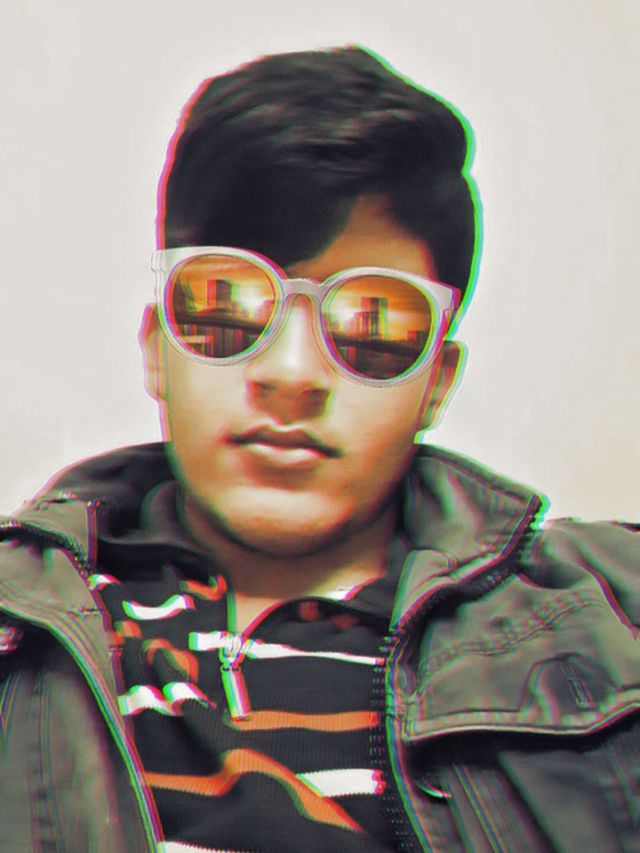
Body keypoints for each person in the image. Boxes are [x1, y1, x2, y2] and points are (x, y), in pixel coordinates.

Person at [0, 46, 638, 853]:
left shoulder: (612, 611)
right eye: (227, 308)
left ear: (437, 380)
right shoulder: (18, 623)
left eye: (374, 324)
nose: (292, 375)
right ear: (158, 347)